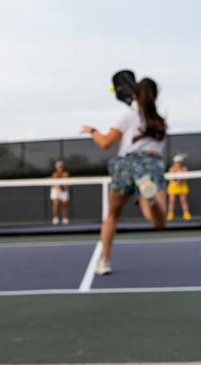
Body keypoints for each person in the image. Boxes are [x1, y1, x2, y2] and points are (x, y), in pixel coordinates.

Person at [81, 71, 167, 275]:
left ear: (135, 96)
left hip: (126, 165)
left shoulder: (128, 116)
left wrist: (92, 131)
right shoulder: (161, 123)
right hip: (151, 165)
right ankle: (151, 200)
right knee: (158, 222)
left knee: (112, 215)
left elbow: (105, 143)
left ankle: (104, 262)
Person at [166, 155, 192, 221]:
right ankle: (170, 214)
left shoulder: (184, 169)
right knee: (172, 201)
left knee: (183, 201)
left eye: (179, 162)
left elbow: (186, 178)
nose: (177, 163)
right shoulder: (171, 169)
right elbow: (170, 179)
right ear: (174, 162)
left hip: (182, 187)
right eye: (176, 162)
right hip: (173, 187)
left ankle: (186, 214)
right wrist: (175, 182)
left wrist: (180, 181)